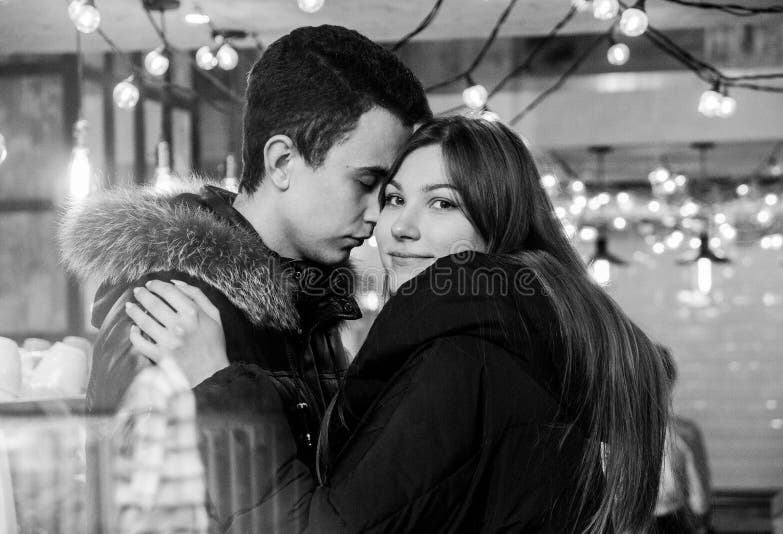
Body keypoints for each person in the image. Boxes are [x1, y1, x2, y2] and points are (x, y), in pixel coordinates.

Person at [128, 116, 672, 533]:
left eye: (441, 204)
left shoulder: (465, 363)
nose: (400, 228)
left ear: (498, 223)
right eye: (394, 199)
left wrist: (214, 383)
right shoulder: (518, 340)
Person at [58, 24, 431, 529]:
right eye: (366, 182)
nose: (377, 215)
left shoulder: (308, 301)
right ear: (282, 161)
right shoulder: (171, 306)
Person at [655, 345, 714, 534]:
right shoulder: (686, 434)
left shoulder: (686, 434)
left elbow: (700, 505)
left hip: (675, 521)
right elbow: (700, 504)